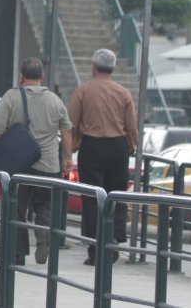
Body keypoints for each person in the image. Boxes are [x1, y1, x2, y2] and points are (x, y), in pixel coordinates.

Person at [0, 57, 73, 266]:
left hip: (20, 167)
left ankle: (18, 254)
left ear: (21, 76)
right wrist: (68, 158)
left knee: (17, 208)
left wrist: (6, 155)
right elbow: (66, 130)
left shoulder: (11, 97)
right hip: (49, 165)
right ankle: (43, 233)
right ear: (42, 77)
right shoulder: (55, 100)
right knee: (44, 205)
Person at [67, 48, 138, 266]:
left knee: (92, 199)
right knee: (115, 196)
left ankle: (95, 248)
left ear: (94, 67)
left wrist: (70, 150)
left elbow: (70, 122)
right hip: (118, 148)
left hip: (92, 147)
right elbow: (131, 126)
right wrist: (132, 145)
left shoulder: (83, 91)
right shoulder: (123, 93)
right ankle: (114, 239)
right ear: (113, 68)